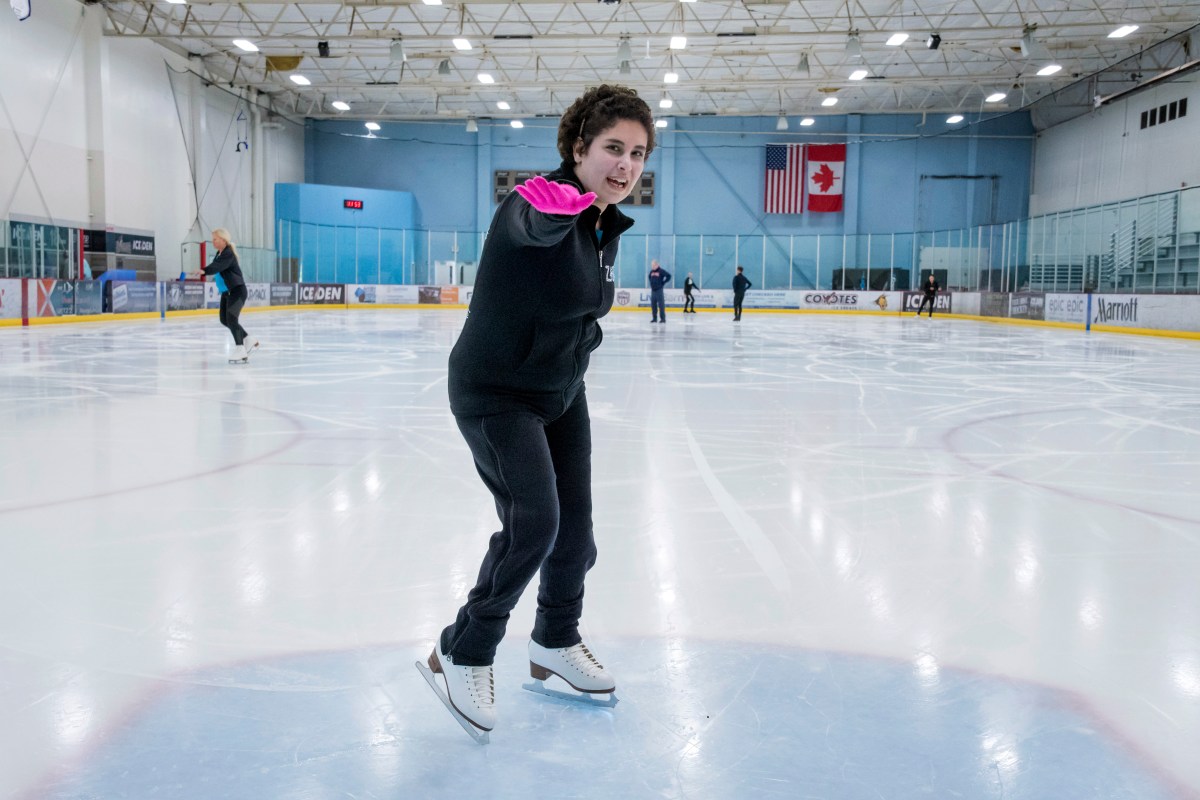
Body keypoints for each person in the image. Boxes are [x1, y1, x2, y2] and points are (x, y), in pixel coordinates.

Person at [424, 84, 655, 738]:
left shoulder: (604, 225)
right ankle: (461, 649)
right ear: (579, 148)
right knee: (535, 523)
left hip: (561, 391)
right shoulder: (541, 202)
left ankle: (555, 639)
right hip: (496, 391)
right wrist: (559, 200)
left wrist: (590, 212)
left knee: (576, 534)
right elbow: (531, 220)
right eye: (613, 148)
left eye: (637, 153)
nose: (626, 165)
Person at [196, 228, 258, 361]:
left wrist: (204, 271)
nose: (213, 241)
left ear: (223, 240)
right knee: (224, 319)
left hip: (237, 291)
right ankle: (248, 338)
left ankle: (240, 349)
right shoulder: (220, 253)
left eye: (215, 239)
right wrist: (205, 270)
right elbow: (216, 264)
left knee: (231, 319)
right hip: (227, 292)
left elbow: (217, 266)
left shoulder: (228, 253)